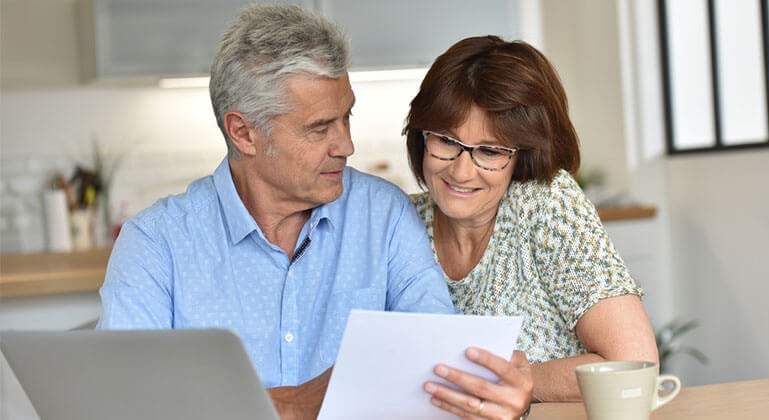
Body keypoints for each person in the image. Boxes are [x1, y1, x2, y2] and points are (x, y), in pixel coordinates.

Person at [96, 5, 531, 419]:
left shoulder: (384, 216)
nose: (346, 145)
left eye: (347, 118)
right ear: (244, 132)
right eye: (320, 128)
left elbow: (440, 369)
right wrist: (293, 407)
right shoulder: (156, 244)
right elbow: (122, 402)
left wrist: (488, 395)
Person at [405, 35, 660, 402]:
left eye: (490, 151)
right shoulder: (402, 219)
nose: (461, 172)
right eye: (446, 141)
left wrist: (508, 386)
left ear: (524, 155)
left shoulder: (545, 204)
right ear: (421, 137)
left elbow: (634, 364)